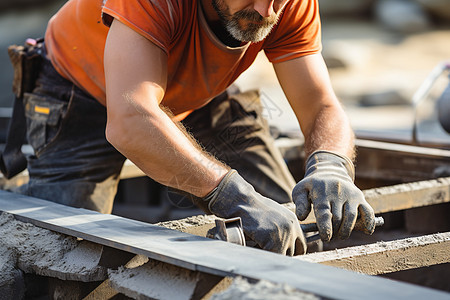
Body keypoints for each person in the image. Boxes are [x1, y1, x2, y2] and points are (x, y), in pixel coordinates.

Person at [4, 0, 375, 256]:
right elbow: (131, 120)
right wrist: (234, 197)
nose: (265, 11)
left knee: (288, 230)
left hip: (196, 95)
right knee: (63, 252)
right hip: (79, 91)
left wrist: (331, 164)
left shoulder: (283, 5)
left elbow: (321, 104)